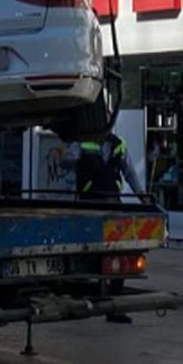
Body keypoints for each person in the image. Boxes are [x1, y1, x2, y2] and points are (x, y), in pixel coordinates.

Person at [63, 133, 148, 324]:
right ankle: (85, 297)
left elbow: (130, 173)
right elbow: (66, 161)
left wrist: (142, 195)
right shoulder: (82, 142)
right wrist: (76, 159)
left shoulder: (119, 144)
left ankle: (114, 306)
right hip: (89, 204)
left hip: (111, 203)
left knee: (119, 253)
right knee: (90, 252)